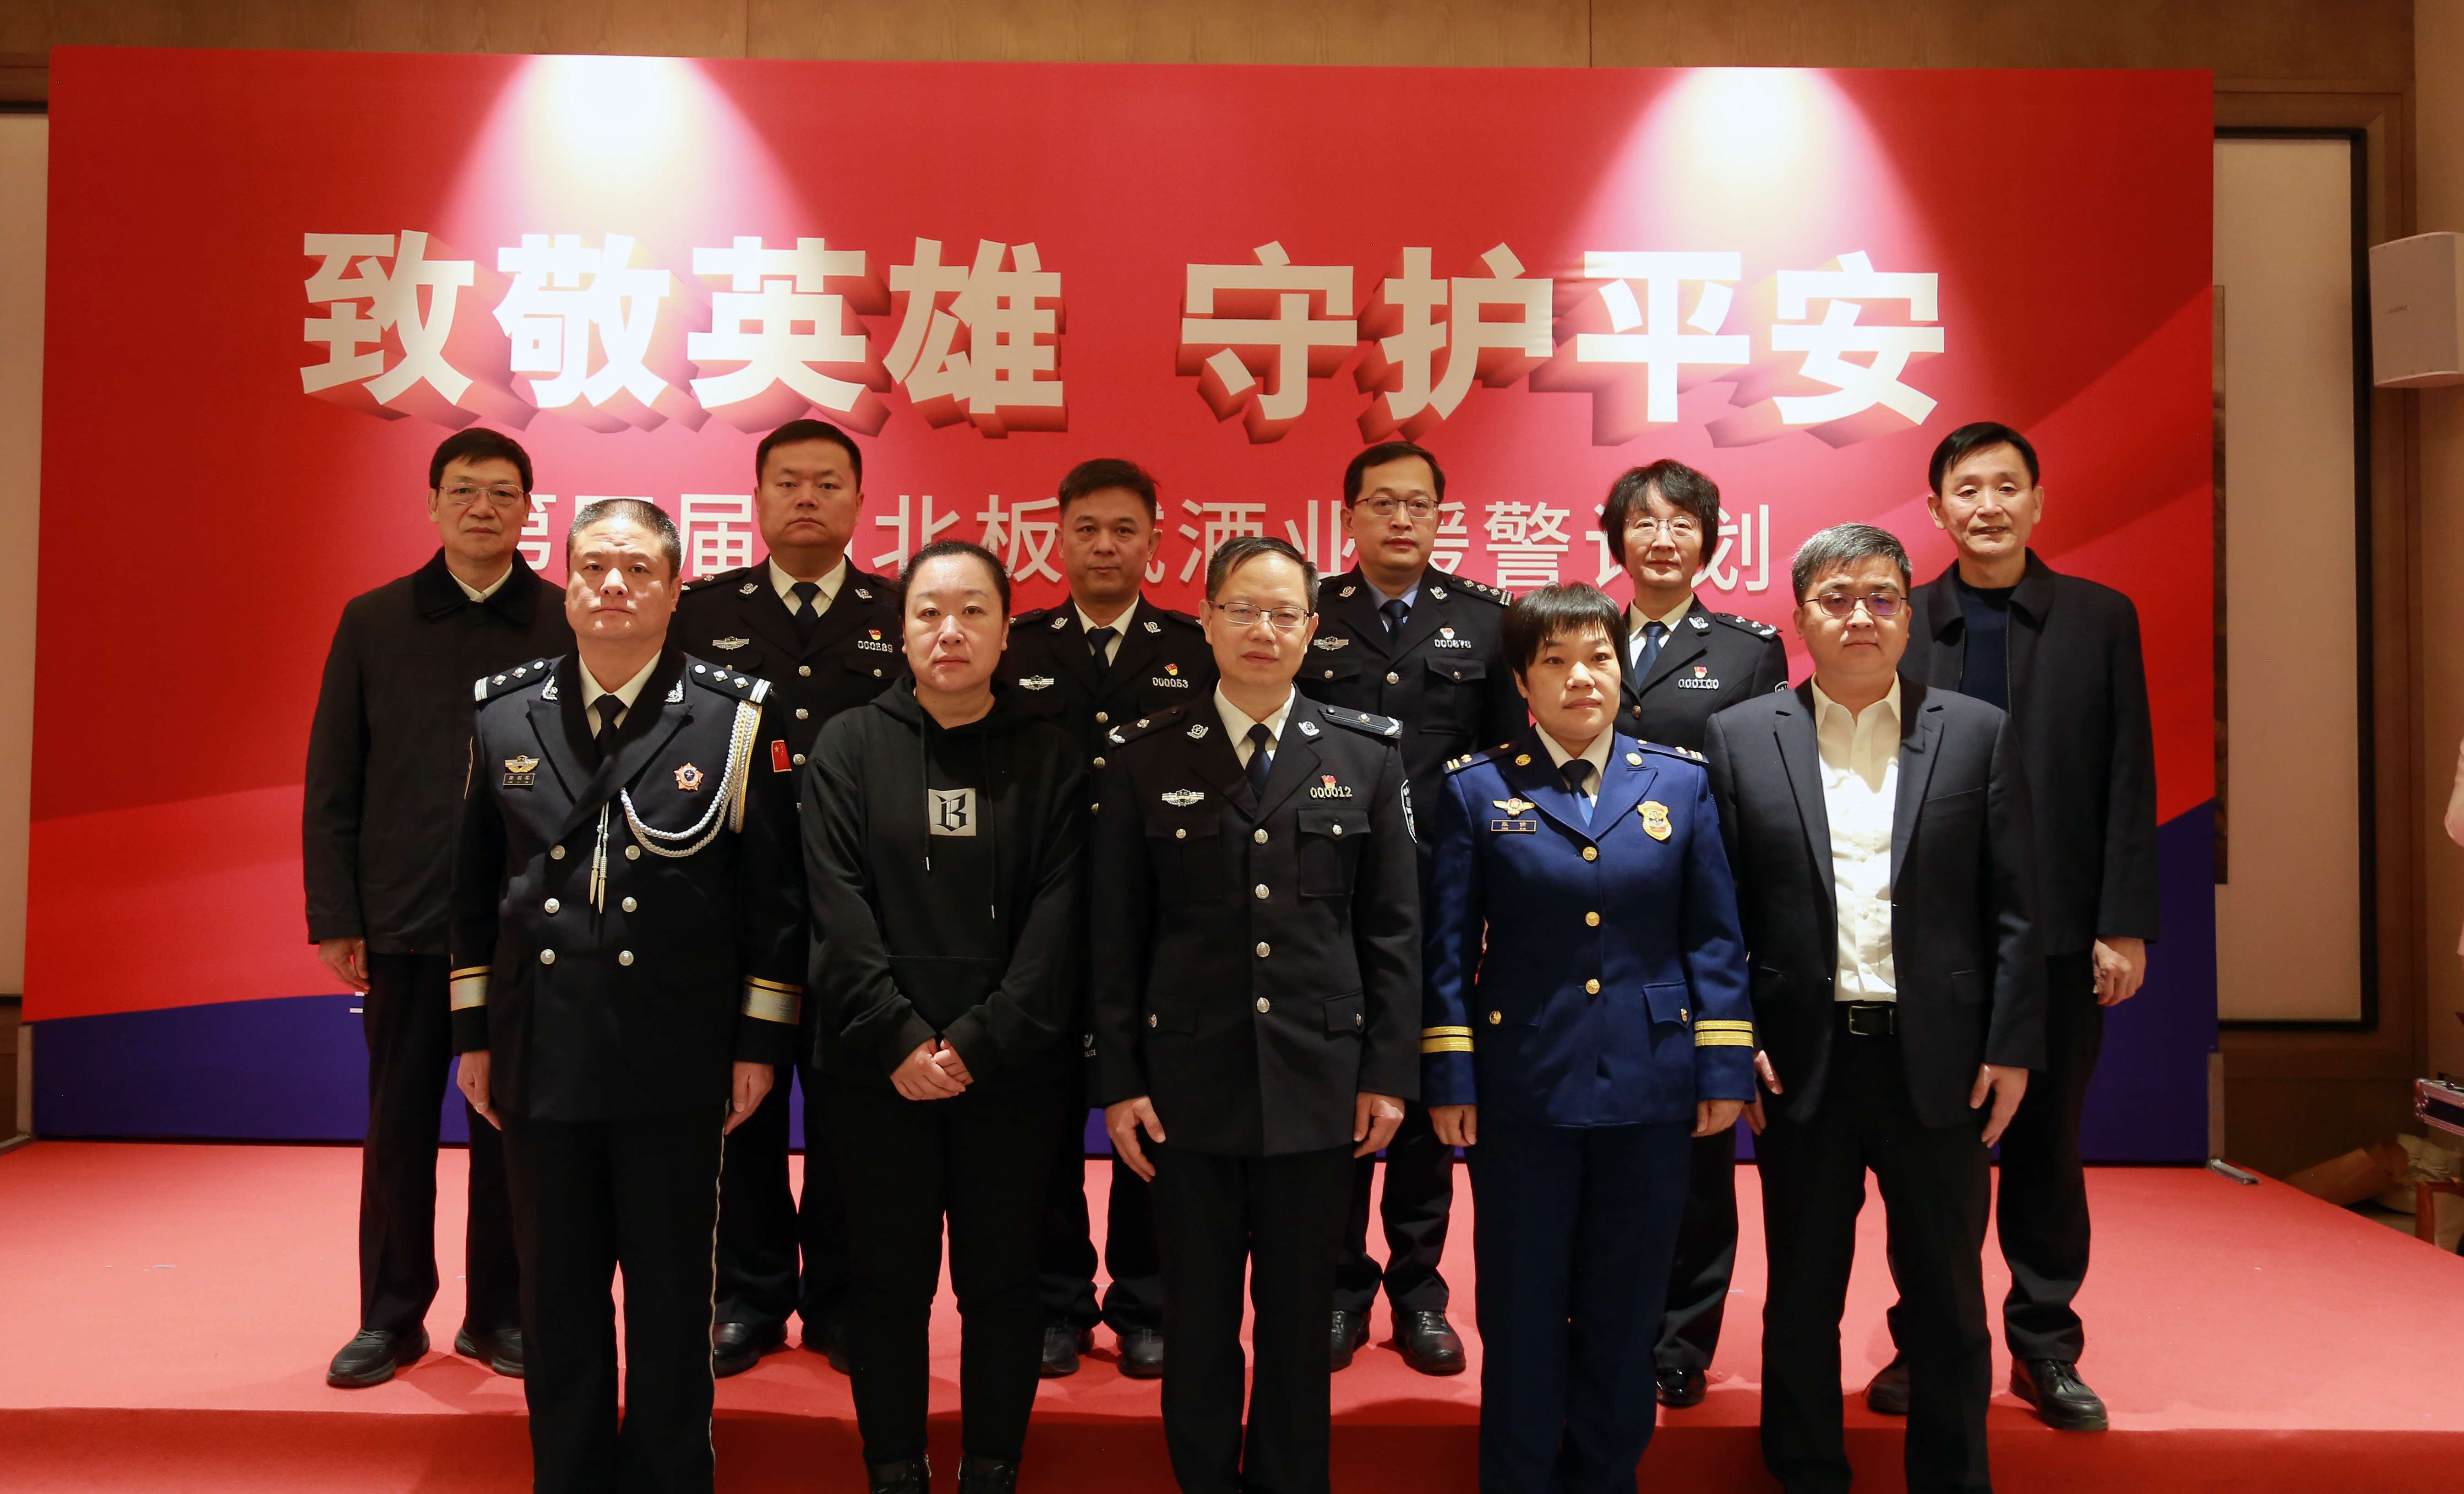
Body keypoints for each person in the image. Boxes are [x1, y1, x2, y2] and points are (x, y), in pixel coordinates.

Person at [450, 499, 804, 1494]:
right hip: (542, 1050)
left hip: (674, 1053)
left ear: (674, 590)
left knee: (669, 1293)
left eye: (639, 570)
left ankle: (668, 1473)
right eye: (594, 567)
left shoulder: (736, 716)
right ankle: (568, 1474)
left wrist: (758, 1043)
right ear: (565, 586)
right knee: (555, 1293)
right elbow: (471, 889)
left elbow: (775, 899)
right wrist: (475, 1034)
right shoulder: (502, 710)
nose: (614, 585)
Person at [1702, 523, 2044, 1494]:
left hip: (1940, 1061)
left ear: (1908, 614)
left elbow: (2017, 906)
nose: (1861, 616)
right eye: (1837, 598)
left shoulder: (1975, 730)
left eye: (1882, 597)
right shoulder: (1740, 736)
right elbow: (1716, 912)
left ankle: (1952, 1475)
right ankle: (1805, 1470)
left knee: (1948, 1295)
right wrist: (1731, 1042)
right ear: (1799, 616)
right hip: (1799, 1062)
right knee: (1801, 1292)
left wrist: (2011, 1045)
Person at [1092, 535, 1421, 1494]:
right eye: (1242, 609)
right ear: (1206, 620)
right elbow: (1114, 936)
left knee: (1298, 1324)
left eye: (1283, 614)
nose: (1262, 631)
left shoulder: (1365, 753)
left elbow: (1393, 932)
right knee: (1195, 1323)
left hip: (1319, 1085)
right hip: (1186, 1091)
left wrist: (1387, 1074)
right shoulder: (1144, 755)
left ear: (1312, 630)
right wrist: (1120, 1082)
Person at [1420, 582, 1755, 1493]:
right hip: (1523, 1087)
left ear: (1622, 670)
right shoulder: (1477, 789)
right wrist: (1450, 1077)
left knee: (1625, 1310)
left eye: (1599, 658)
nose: (1581, 678)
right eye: (1556, 661)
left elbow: (1714, 937)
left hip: (1652, 1086)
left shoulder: (1679, 782)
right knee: (1521, 1310)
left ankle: (1606, 1478)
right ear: (1522, 682)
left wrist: (1723, 1065)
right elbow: (1445, 948)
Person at [1862, 422, 2159, 1431]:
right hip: (1935, 943)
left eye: (2005, 487)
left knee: (2045, 1149)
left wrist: (2124, 922)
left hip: (2063, 936)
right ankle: (1929, 1341)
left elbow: (2127, 777)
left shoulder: (2098, 619)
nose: (1986, 506)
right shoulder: (1901, 623)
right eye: (1966, 489)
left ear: (2037, 501)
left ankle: (2045, 1346)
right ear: (1935, 509)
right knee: (1931, 1160)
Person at [802, 539, 1089, 1494]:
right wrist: (899, 1037)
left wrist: (974, 1044)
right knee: (885, 1283)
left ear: (1007, 632)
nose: (950, 631)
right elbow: (835, 911)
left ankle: (992, 1465)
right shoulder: (848, 745)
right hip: (873, 1072)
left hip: (1010, 1075)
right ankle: (893, 1466)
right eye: (928, 612)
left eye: (973, 612)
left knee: (1003, 1284)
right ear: (901, 631)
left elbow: (1057, 927)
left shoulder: (1052, 756)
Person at [306, 427, 568, 1389]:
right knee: (399, 1124)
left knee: (513, 1130)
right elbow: (335, 777)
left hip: (526, 927)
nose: (482, 508)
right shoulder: (374, 621)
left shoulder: (565, 620)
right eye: (463, 490)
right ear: (431, 503)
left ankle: (500, 1313)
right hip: (406, 918)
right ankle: (389, 1316)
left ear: (529, 508)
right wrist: (338, 913)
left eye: (502, 492)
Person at [674, 417, 906, 1377]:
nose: (806, 498)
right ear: (758, 498)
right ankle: (749, 1295)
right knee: (742, 1109)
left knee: (854, 1116)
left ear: (859, 499)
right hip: (734, 907)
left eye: (827, 483)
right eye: (787, 483)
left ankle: (844, 1301)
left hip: (869, 909)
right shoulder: (698, 614)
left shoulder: (901, 612)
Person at [1295, 441, 1517, 1376]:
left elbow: (1506, 769)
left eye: (1417, 505)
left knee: (1427, 1097)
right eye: (1380, 503)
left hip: (1440, 898)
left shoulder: (1486, 621)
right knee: (1339, 1090)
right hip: (1327, 893)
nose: (1399, 519)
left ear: (1439, 517)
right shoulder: (1312, 610)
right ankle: (1339, 1290)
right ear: (1348, 515)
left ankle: (1420, 1293)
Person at [999, 458, 1215, 1380]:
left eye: (1124, 530)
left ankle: (1145, 1302)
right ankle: (1055, 1302)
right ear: (1057, 536)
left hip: (1158, 918)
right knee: (1041, 1120)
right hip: (1036, 919)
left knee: (1149, 1113)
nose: (1104, 546)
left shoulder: (1192, 650)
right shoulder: (1016, 647)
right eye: (1086, 529)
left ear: (1155, 542)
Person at [1594, 459, 1791, 1411]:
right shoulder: (1578, 634)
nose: (1661, 539)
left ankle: (1682, 1336)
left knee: (1698, 1146)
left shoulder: (1748, 652)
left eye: (1680, 523)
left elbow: (1765, 793)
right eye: (1643, 522)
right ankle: (1603, 1323)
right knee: (1599, 1137)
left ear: (1708, 540)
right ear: (1617, 539)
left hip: (1698, 918)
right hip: (1589, 914)